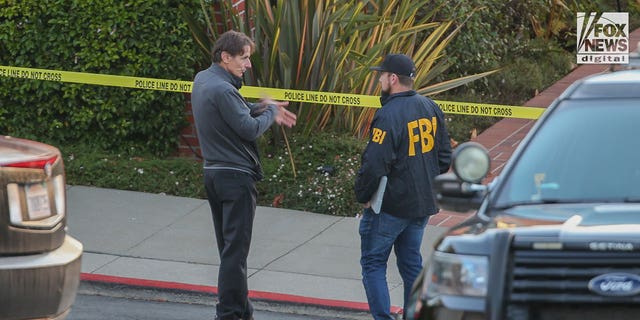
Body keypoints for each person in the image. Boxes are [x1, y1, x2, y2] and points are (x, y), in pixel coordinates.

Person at [191, 30, 297, 320]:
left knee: (229, 250)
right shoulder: (224, 89)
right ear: (226, 57)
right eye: (244, 58)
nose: (248, 65)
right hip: (235, 178)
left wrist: (261, 107)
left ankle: (241, 311)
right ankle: (228, 314)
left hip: (214, 175)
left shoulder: (204, 80)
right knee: (235, 254)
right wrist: (270, 113)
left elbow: (232, 112)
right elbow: (248, 129)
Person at [354, 53, 452, 320]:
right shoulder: (430, 107)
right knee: (411, 265)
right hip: (422, 205)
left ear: (393, 79)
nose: (379, 80)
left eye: (382, 76)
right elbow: (444, 158)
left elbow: (375, 164)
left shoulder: (388, 115)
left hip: (390, 207)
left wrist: (362, 195)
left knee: (373, 264)